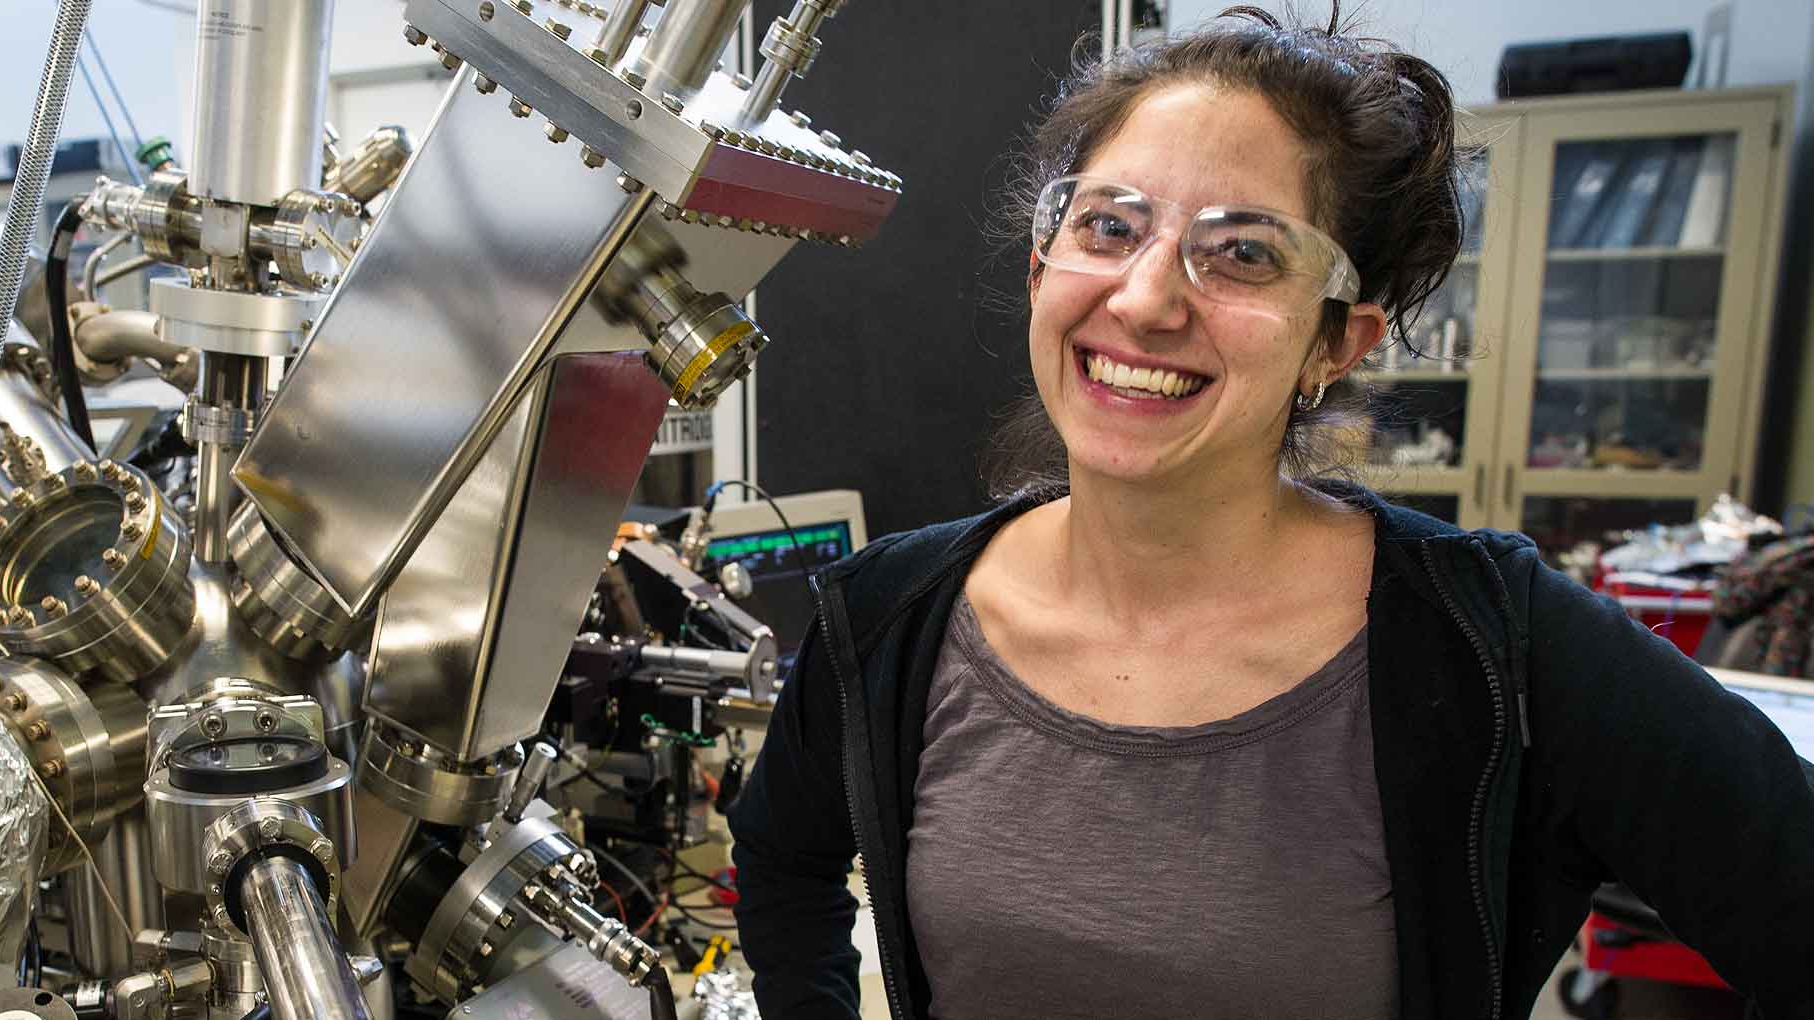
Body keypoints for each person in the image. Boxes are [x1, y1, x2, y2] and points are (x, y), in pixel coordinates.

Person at [727, 7, 1814, 1019]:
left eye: (1243, 251)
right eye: (1109, 227)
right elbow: (781, 863)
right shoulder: (885, 617)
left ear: (1338, 342)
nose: (1146, 299)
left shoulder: (1501, 647)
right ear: (1038, 271)